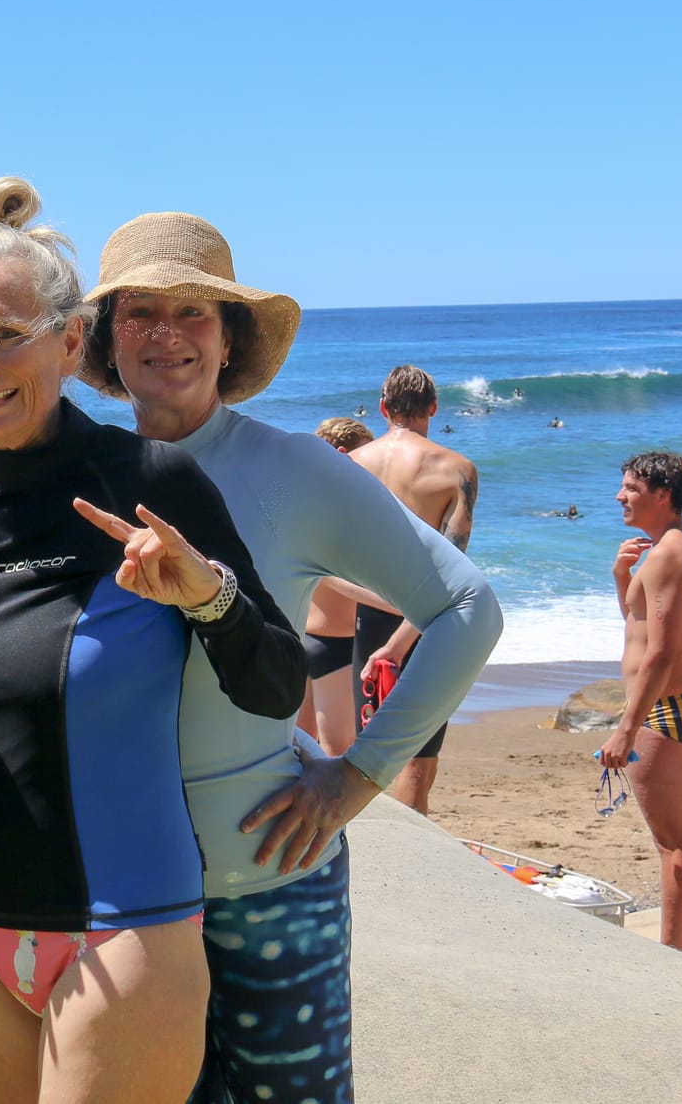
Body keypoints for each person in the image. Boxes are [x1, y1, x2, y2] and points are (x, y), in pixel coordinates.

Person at [0, 199, 304, 1103]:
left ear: (68, 341)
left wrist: (207, 596)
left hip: (126, 926)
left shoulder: (150, 480)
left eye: (6, 335)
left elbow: (277, 683)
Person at [82, 212, 501, 1104]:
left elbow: (467, 607)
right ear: (105, 337)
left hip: (268, 885)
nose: (166, 332)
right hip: (121, 896)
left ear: (229, 337)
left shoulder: (295, 470)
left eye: (193, 311)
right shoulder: (78, 475)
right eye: (139, 309)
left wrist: (359, 776)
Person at [347, 364, 482, 815]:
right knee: (419, 762)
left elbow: (332, 559)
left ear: (383, 408)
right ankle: (412, 852)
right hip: (427, 622)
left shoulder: (352, 465)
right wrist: (402, 640)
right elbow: (451, 571)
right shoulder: (457, 470)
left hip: (367, 619)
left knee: (369, 753)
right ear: (434, 408)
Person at [601, 450, 682, 956]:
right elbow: (643, 626)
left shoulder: (668, 554)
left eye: (632, 488)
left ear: (663, 494)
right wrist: (623, 578)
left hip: (662, 711)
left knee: (674, 844)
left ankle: (674, 963)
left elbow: (662, 652)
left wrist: (627, 728)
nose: (620, 496)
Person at [296, 417, 373, 754]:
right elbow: (330, 572)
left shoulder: (302, 504)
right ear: (343, 454)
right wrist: (396, 603)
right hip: (337, 646)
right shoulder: (343, 510)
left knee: (295, 750)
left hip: (300, 637)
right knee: (337, 753)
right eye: (366, 456)